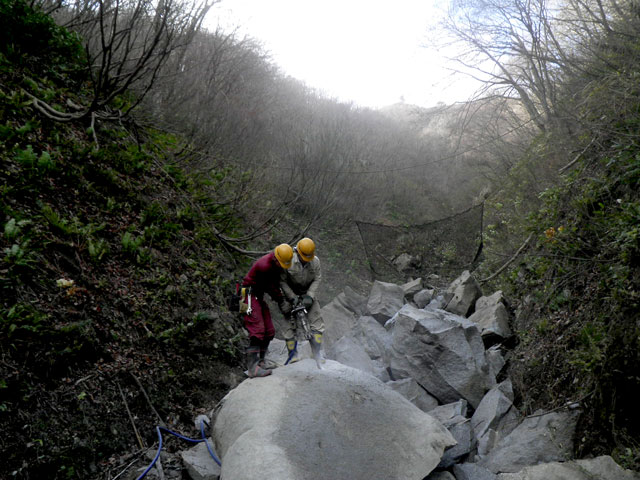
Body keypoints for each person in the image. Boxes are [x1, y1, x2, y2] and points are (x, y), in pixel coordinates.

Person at [241, 243, 294, 377]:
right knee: (258, 329)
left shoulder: (277, 263)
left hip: (258, 295)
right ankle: (253, 368)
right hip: (247, 294)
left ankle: (261, 361)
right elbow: (271, 287)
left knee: (269, 331)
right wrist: (281, 301)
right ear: (276, 259)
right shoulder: (265, 266)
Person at [280, 237, 324, 363]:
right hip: (289, 294)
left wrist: (310, 295)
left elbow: (317, 278)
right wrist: (292, 297)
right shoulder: (288, 260)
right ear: (298, 252)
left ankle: (316, 354)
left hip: (307, 292)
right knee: (288, 325)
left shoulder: (315, 261)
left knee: (317, 322)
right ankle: (293, 355)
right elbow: (282, 281)